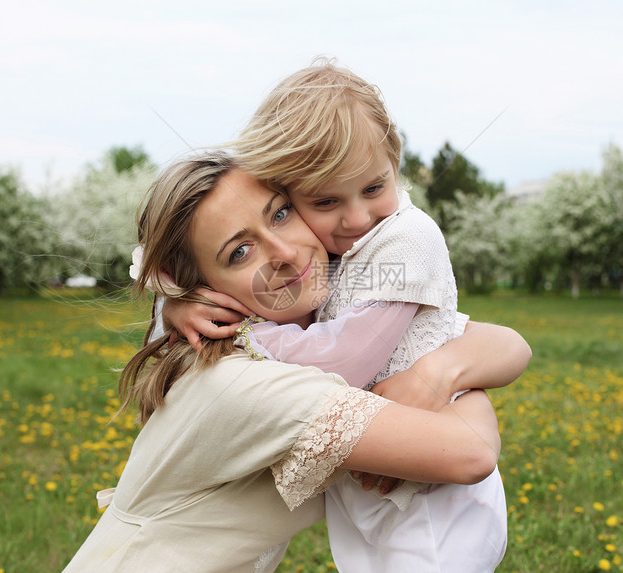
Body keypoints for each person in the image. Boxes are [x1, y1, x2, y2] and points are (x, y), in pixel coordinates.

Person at [62, 151, 521, 573]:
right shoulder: (243, 381)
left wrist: (438, 370)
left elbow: (500, 342)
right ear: (201, 289)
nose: (283, 253)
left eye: (280, 214)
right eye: (239, 252)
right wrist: (452, 381)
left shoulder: (303, 330)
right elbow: (470, 451)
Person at [165, 59, 529, 572]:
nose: (356, 217)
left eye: (374, 188)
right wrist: (177, 302)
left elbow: (349, 357)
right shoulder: (333, 257)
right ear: (288, 194)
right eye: (326, 200)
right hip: (378, 484)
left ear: (395, 161)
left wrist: (250, 335)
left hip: (432, 499)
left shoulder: (406, 237)